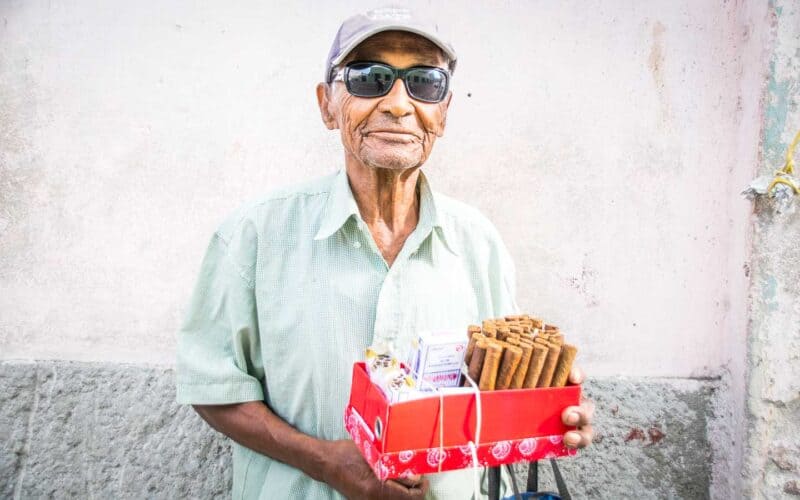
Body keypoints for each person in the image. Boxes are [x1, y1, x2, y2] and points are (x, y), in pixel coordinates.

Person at [176, 7, 593, 499]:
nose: (398, 103)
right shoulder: (254, 235)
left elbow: (495, 396)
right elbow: (213, 388)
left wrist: (550, 416)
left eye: (424, 81)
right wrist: (326, 462)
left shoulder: (478, 243)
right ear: (327, 105)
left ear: (444, 111)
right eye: (370, 78)